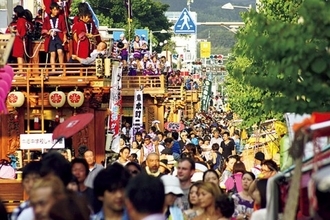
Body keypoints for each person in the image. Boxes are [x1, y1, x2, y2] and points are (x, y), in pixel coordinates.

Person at [41, 2, 67, 71]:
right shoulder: (47, 18)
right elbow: (44, 29)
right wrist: (48, 32)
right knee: (52, 53)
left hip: (59, 36)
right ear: (51, 10)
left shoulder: (61, 17)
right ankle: (53, 69)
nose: (56, 12)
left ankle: (61, 68)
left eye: (57, 10)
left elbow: (64, 28)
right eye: (54, 10)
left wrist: (64, 36)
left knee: (60, 51)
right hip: (51, 37)